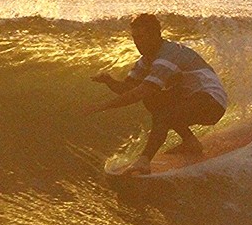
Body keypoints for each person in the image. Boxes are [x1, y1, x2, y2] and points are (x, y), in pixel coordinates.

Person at [84, 14, 227, 175]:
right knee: (153, 100)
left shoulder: (168, 56)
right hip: (189, 99)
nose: (137, 42)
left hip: (212, 102)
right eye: (134, 37)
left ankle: (144, 161)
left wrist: (103, 106)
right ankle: (190, 142)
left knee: (163, 112)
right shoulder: (145, 60)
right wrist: (109, 81)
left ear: (155, 35)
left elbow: (141, 92)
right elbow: (128, 89)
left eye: (141, 37)